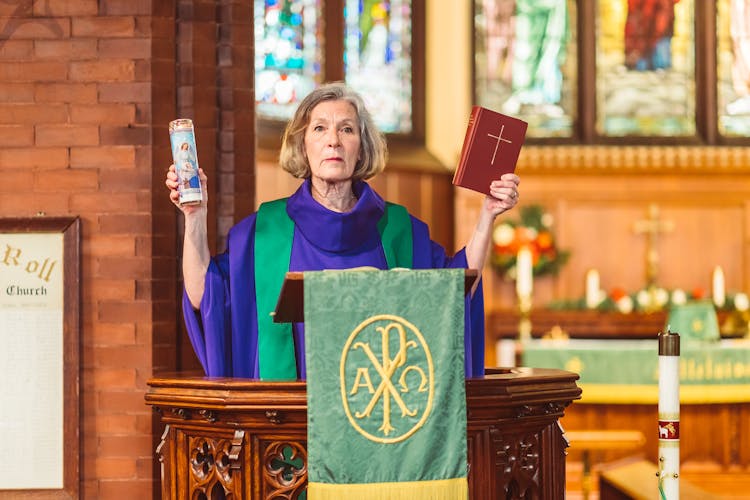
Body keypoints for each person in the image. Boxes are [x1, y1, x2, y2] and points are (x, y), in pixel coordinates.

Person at [165, 82, 520, 380]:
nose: (333, 140)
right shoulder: (262, 234)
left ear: (362, 146)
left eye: (346, 129)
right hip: (285, 438)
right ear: (303, 145)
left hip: (379, 424)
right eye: (319, 128)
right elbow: (204, 297)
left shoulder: (399, 232)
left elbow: (454, 293)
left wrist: (487, 215)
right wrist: (195, 215)